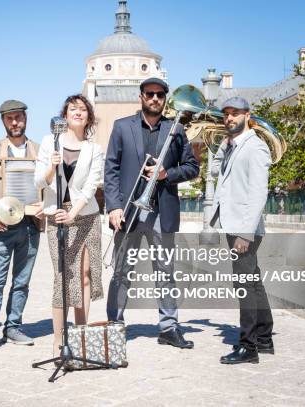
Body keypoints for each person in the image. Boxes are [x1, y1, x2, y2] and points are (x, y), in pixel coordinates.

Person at [104, 77, 199, 349]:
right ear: (141, 97)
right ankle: (115, 324)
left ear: (165, 99)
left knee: (165, 272)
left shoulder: (176, 129)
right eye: (150, 94)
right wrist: (113, 206)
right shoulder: (122, 127)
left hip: (162, 212)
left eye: (160, 94)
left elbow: (192, 167)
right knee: (122, 271)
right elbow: (111, 169)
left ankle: (169, 327)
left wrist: (167, 173)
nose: (155, 98)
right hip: (129, 213)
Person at [35, 94, 105, 357]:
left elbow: (91, 186)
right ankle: (58, 339)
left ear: (88, 117)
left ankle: (81, 335)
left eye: (83, 109)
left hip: (86, 217)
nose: (78, 112)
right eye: (73, 108)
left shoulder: (94, 149)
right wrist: (51, 169)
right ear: (64, 115)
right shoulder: (48, 143)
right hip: (57, 220)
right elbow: (39, 183)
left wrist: (74, 213)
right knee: (64, 278)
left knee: (85, 277)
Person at [0, 100, 44, 353]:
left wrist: (47, 203)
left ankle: (13, 326)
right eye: (9, 118)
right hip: (1, 227)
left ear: (26, 118)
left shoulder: (39, 150)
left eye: (19, 117)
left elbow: (50, 184)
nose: (15, 122)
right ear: (3, 121)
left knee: (22, 281)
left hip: (30, 226)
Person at [210, 96, 274, 364]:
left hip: (244, 228)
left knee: (244, 285)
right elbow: (214, 171)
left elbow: (259, 193)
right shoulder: (234, 146)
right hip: (235, 223)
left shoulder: (256, 148)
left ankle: (248, 347)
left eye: (235, 113)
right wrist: (224, 146)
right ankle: (264, 337)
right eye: (226, 114)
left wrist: (246, 234)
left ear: (248, 115)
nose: (229, 118)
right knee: (253, 281)